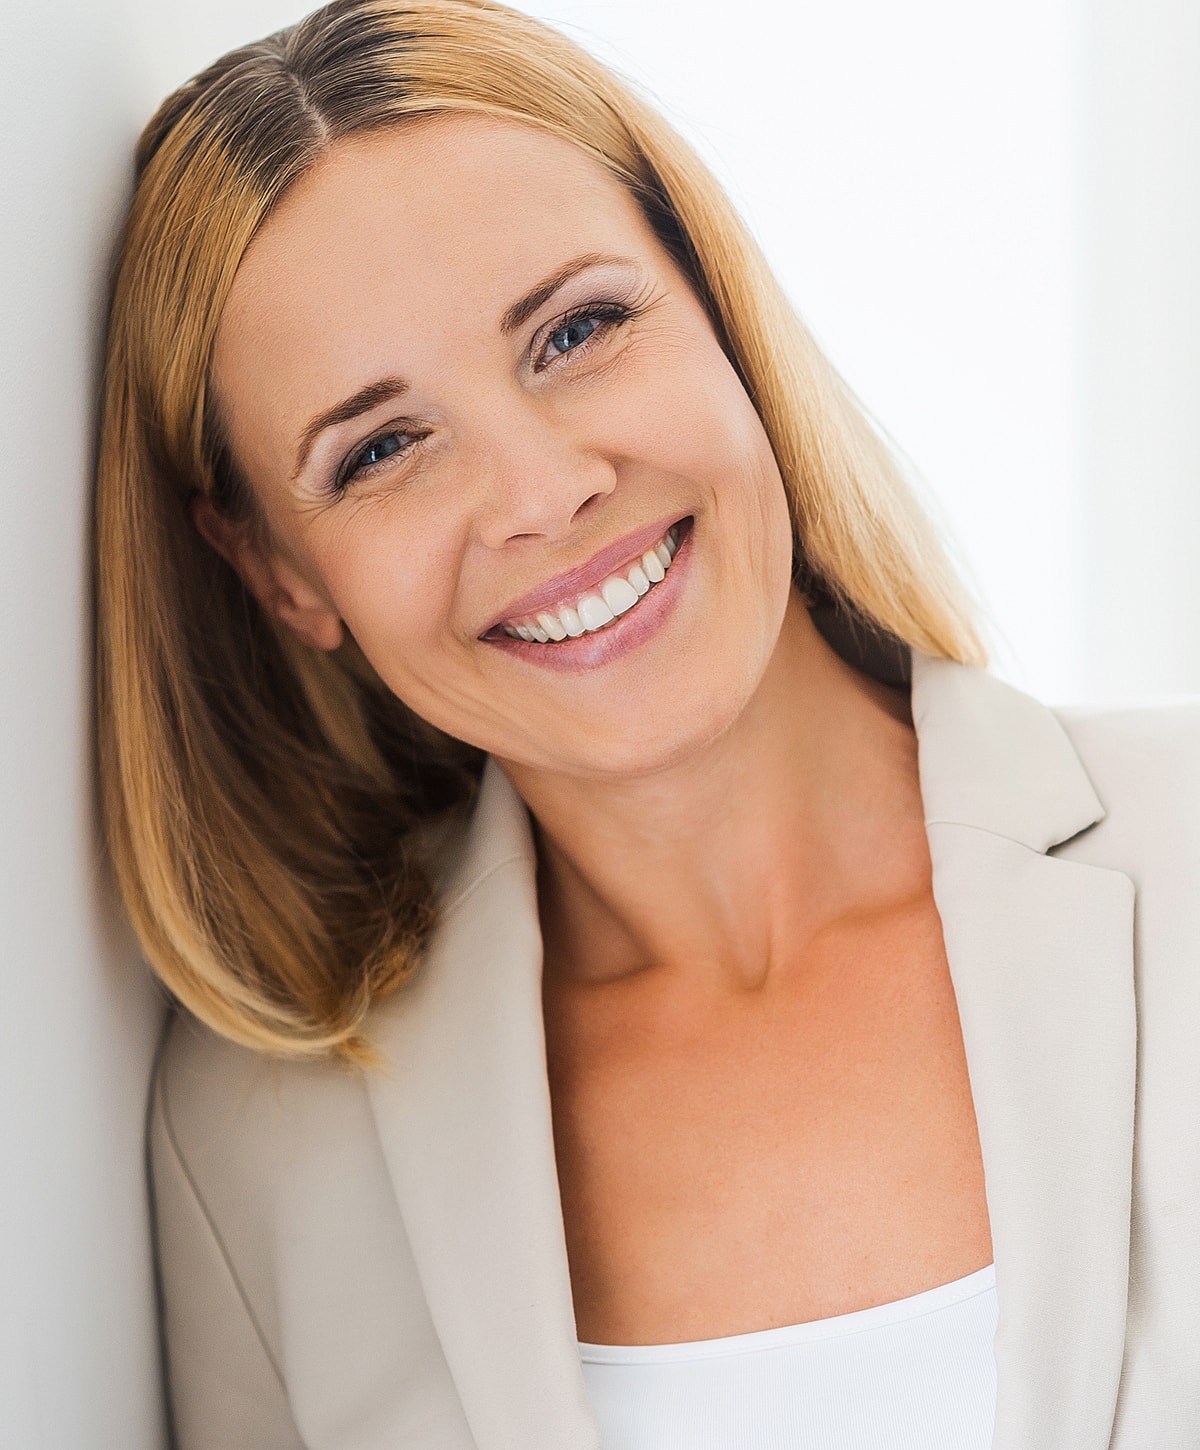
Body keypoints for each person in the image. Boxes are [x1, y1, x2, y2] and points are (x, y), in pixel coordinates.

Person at [94, 1, 1200, 1446]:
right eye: (382, 447)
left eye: (578, 329)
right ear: (280, 574)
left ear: (721, 308)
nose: (546, 491)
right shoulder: (262, 1149)